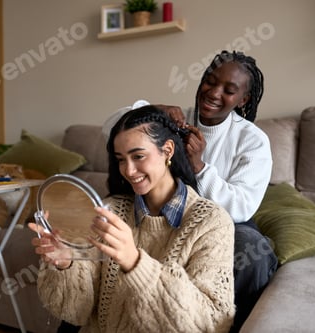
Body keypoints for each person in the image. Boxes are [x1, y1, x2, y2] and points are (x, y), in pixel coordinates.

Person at [102, 50, 278, 332]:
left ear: (243, 100)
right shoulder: (175, 119)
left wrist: (199, 168)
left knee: (253, 250)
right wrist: (154, 111)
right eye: (210, 81)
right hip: (167, 213)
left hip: (228, 223)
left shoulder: (252, 140)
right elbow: (111, 128)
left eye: (229, 90)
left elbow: (242, 206)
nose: (214, 92)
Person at [30, 105, 235, 332]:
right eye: (120, 159)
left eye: (138, 156)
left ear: (167, 150)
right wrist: (66, 264)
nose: (128, 170)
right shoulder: (109, 211)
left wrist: (135, 262)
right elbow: (77, 313)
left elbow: (211, 323)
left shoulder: (212, 223)